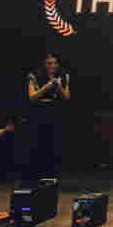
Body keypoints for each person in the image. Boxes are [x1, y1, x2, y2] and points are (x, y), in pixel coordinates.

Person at [25, 53, 70, 181]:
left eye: (55, 63)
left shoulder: (63, 75)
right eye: (49, 63)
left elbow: (67, 97)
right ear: (44, 64)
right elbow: (31, 97)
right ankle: (37, 175)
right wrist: (46, 87)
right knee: (39, 143)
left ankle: (53, 175)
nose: (52, 66)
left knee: (55, 144)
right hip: (39, 111)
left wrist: (59, 86)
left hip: (55, 111)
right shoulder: (35, 75)